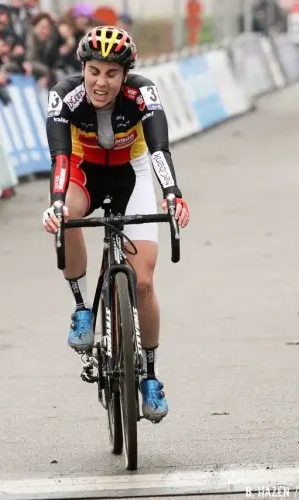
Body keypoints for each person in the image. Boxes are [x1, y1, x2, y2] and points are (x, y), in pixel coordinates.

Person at [42, 26, 190, 423]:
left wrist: (173, 193)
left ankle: (151, 376)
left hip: (133, 172)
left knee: (142, 283)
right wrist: (56, 203)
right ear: (83, 69)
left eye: (111, 73)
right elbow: (58, 158)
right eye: (94, 71)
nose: (100, 82)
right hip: (84, 171)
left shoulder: (143, 93)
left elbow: (159, 149)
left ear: (125, 76)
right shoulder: (64, 95)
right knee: (68, 217)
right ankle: (82, 309)